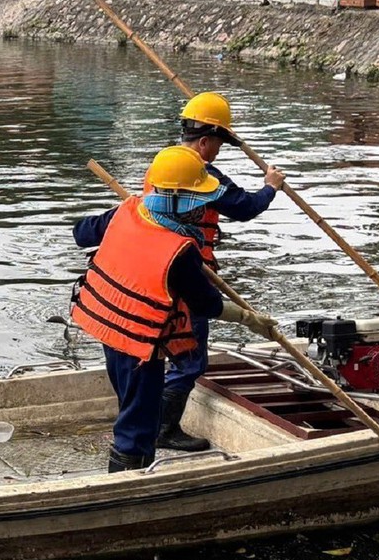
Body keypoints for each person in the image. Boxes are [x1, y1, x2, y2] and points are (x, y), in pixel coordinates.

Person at [70, 146, 273, 471]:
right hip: (139, 343)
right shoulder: (179, 250)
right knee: (138, 425)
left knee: (132, 406)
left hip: (108, 329)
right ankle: (127, 486)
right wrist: (249, 318)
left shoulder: (130, 208)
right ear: (176, 201)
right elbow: (206, 303)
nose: (203, 207)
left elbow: (81, 232)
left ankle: (131, 464)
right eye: (197, 200)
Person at [155, 92, 287, 451]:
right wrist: (270, 186)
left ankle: (151, 421)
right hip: (187, 274)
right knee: (190, 359)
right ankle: (163, 430)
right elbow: (244, 207)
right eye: (216, 144)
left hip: (156, 271)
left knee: (163, 348)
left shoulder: (163, 166)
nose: (217, 152)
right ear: (204, 141)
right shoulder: (201, 175)